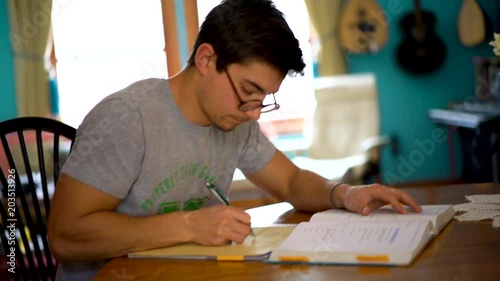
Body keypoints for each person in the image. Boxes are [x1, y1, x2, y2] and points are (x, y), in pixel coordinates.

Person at [47, 0, 421, 280]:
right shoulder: (128, 118)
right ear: (207, 59)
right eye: (248, 91)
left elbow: (290, 181)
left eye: (264, 98)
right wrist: (191, 225)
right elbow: (65, 237)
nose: (254, 112)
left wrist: (344, 194)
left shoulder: (234, 119)